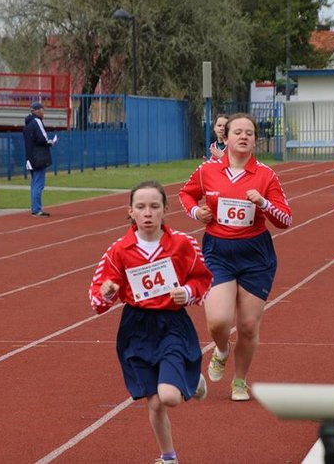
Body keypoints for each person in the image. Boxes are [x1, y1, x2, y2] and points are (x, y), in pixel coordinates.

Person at [89, 181, 212, 464]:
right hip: (137, 328)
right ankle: (168, 457)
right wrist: (107, 293)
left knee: (168, 396)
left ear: (165, 210)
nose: (147, 213)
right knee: (155, 402)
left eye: (154, 207)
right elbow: (97, 296)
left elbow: (203, 278)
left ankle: (189, 379)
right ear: (130, 211)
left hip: (172, 325)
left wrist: (188, 292)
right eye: (141, 207)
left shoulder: (181, 243)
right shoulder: (119, 250)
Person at [179, 112, 292, 401]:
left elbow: (286, 219)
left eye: (249, 133)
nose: (243, 136)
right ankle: (222, 349)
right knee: (218, 321)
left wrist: (263, 202)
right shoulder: (207, 171)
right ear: (225, 138)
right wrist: (196, 212)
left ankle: (240, 380)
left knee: (248, 325)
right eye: (237, 132)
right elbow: (186, 195)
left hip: (256, 254)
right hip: (218, 251)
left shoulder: (266, 175)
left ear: (255, 141)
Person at [24, 101, 57, 217]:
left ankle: (35, 208)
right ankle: (37, 209)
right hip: (38, 157)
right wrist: (51, 142)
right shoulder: (37, 122)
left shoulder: (27, 124)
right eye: (42, 110)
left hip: (30, 157)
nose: (43, 112)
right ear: (37, 111)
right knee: (38, 184)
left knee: (34, 184)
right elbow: (43, 138)